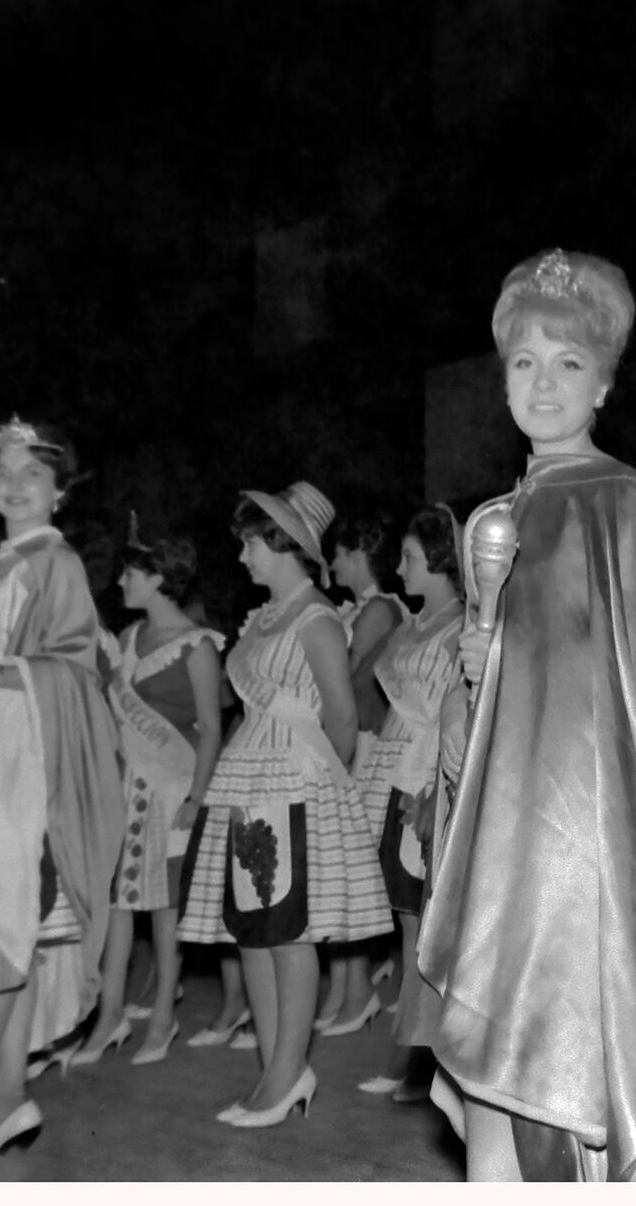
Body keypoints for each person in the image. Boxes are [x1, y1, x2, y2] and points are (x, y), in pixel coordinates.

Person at [416, 248, 636, 1181]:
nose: (543, 382)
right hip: (505, 844)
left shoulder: (621, 508)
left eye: (567, 363)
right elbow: (496, 720)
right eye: (524, 362)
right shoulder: (499, 514)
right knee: (489, 1079)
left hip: (582, 860)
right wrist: (478, 675)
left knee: (552, 1076)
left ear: (604, 383)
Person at [176, 482, 392, 1126]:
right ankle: (277, 1070)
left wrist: (324, 790)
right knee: (253, 934)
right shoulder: (264, 617)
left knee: (287, 933)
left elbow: (343, 718)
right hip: (247, 786)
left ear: (282, 544)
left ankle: (286, 1070)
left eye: (248, 543)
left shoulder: (316, 618)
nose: (241, 556)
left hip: (294, 786)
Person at [0, 416, 125, 1153]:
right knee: (12, 942)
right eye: (2, 469)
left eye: (32, 473)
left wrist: (0, 674)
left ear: (59, 492)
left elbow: (78, 672)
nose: (14, 483)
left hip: (22, 782)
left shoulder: (54, 562)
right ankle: (6, 1100)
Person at [70, 528, 224, 1068]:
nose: (120, 581)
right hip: (124, 788)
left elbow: (210, 729)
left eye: (130, 573)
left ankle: (162, 1015)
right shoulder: (131, 637)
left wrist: (198, 796)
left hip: (171, 792)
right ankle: (109, 1015)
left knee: (165, 907)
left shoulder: (199, 645)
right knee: (117, 905)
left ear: (159, 578)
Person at [352, 506, 463, 1099]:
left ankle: (423, 1057)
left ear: (443, 561)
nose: (399, 569)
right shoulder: (416, 625)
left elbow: (454, 717)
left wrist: (430, 793)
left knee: (426, 927)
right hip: (393, 774)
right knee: (405, 917)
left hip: (427, 780)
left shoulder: (461, 627)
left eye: (411, 559)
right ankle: (415, 1052)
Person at [314, 512, 404, 1032]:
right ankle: (343, 992)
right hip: (346, 745)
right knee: (339, 870)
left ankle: (357, 992)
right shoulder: (352, 609)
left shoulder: (380, 609)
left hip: (364, 747)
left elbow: (343, 679)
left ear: (357, 555)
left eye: (339, 554)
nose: (332, 564)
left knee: (350, 871)